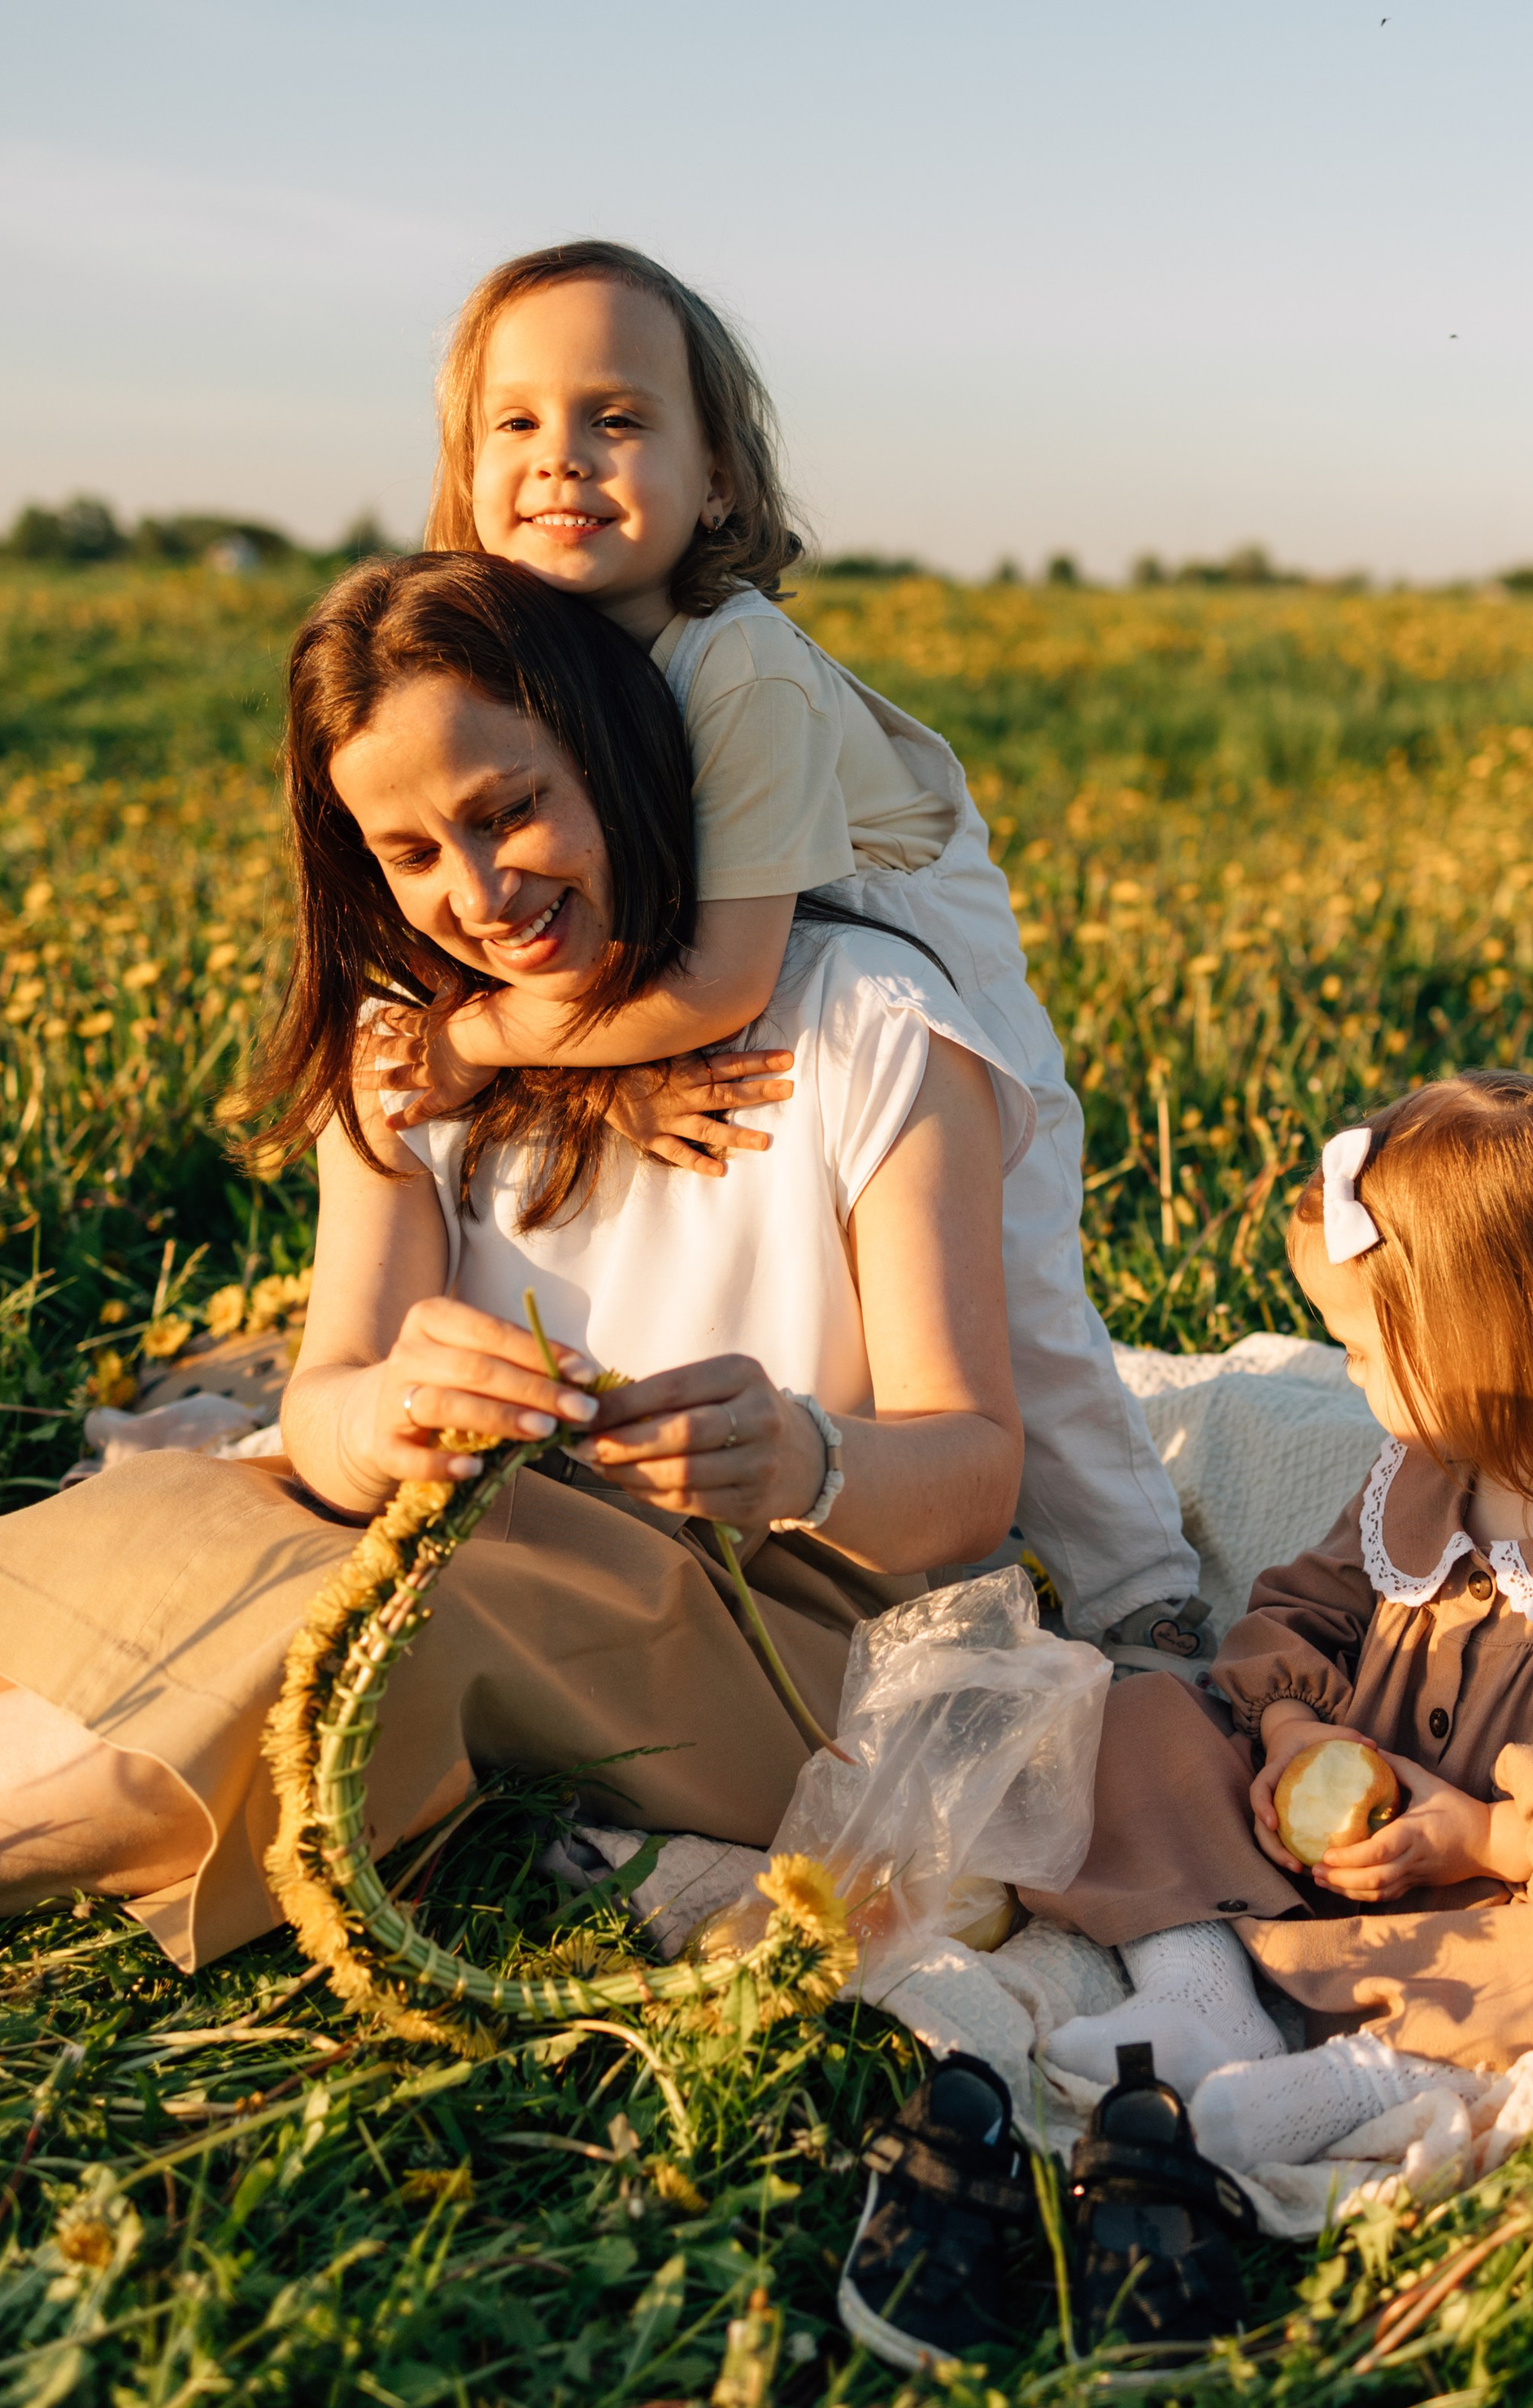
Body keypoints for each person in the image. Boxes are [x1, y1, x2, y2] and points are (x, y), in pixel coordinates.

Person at [0, 556, 1025, 1965]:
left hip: (773, 1618)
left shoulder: (867, 1025)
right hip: (473, 1536)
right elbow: (324, 1410)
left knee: (370, 1628)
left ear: (620, 757)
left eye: (512, 810)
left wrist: (805, 1457)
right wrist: (384, 1415)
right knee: (183, 1519)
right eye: (411, 853)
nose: (483, 890)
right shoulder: (410, 1049)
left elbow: (977, 1477)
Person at [366, 238, 1206, 1670]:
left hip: (891, 925)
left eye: (617, 419)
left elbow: (723, 988)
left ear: (722, 483)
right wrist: (602, 1077)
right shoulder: (542, 661)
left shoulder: (733, 658)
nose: (561, 459)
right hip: (745, 925)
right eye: (517, 423)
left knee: (1019, 1293)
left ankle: (1140, 1584)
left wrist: (483, 1041)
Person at [1029, 1071, 1533, 2170]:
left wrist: (1487, 1833)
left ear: (1481, 1344)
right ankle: (1203, 1994)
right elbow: (1298, 1614)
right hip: (1317, 1865)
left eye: (1357, 1351)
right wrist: (1302, 1737)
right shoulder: (1419, 1475)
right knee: (1134, 1713)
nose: (1349, 1379)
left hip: (1525, 1905)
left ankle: (1380, 2073)